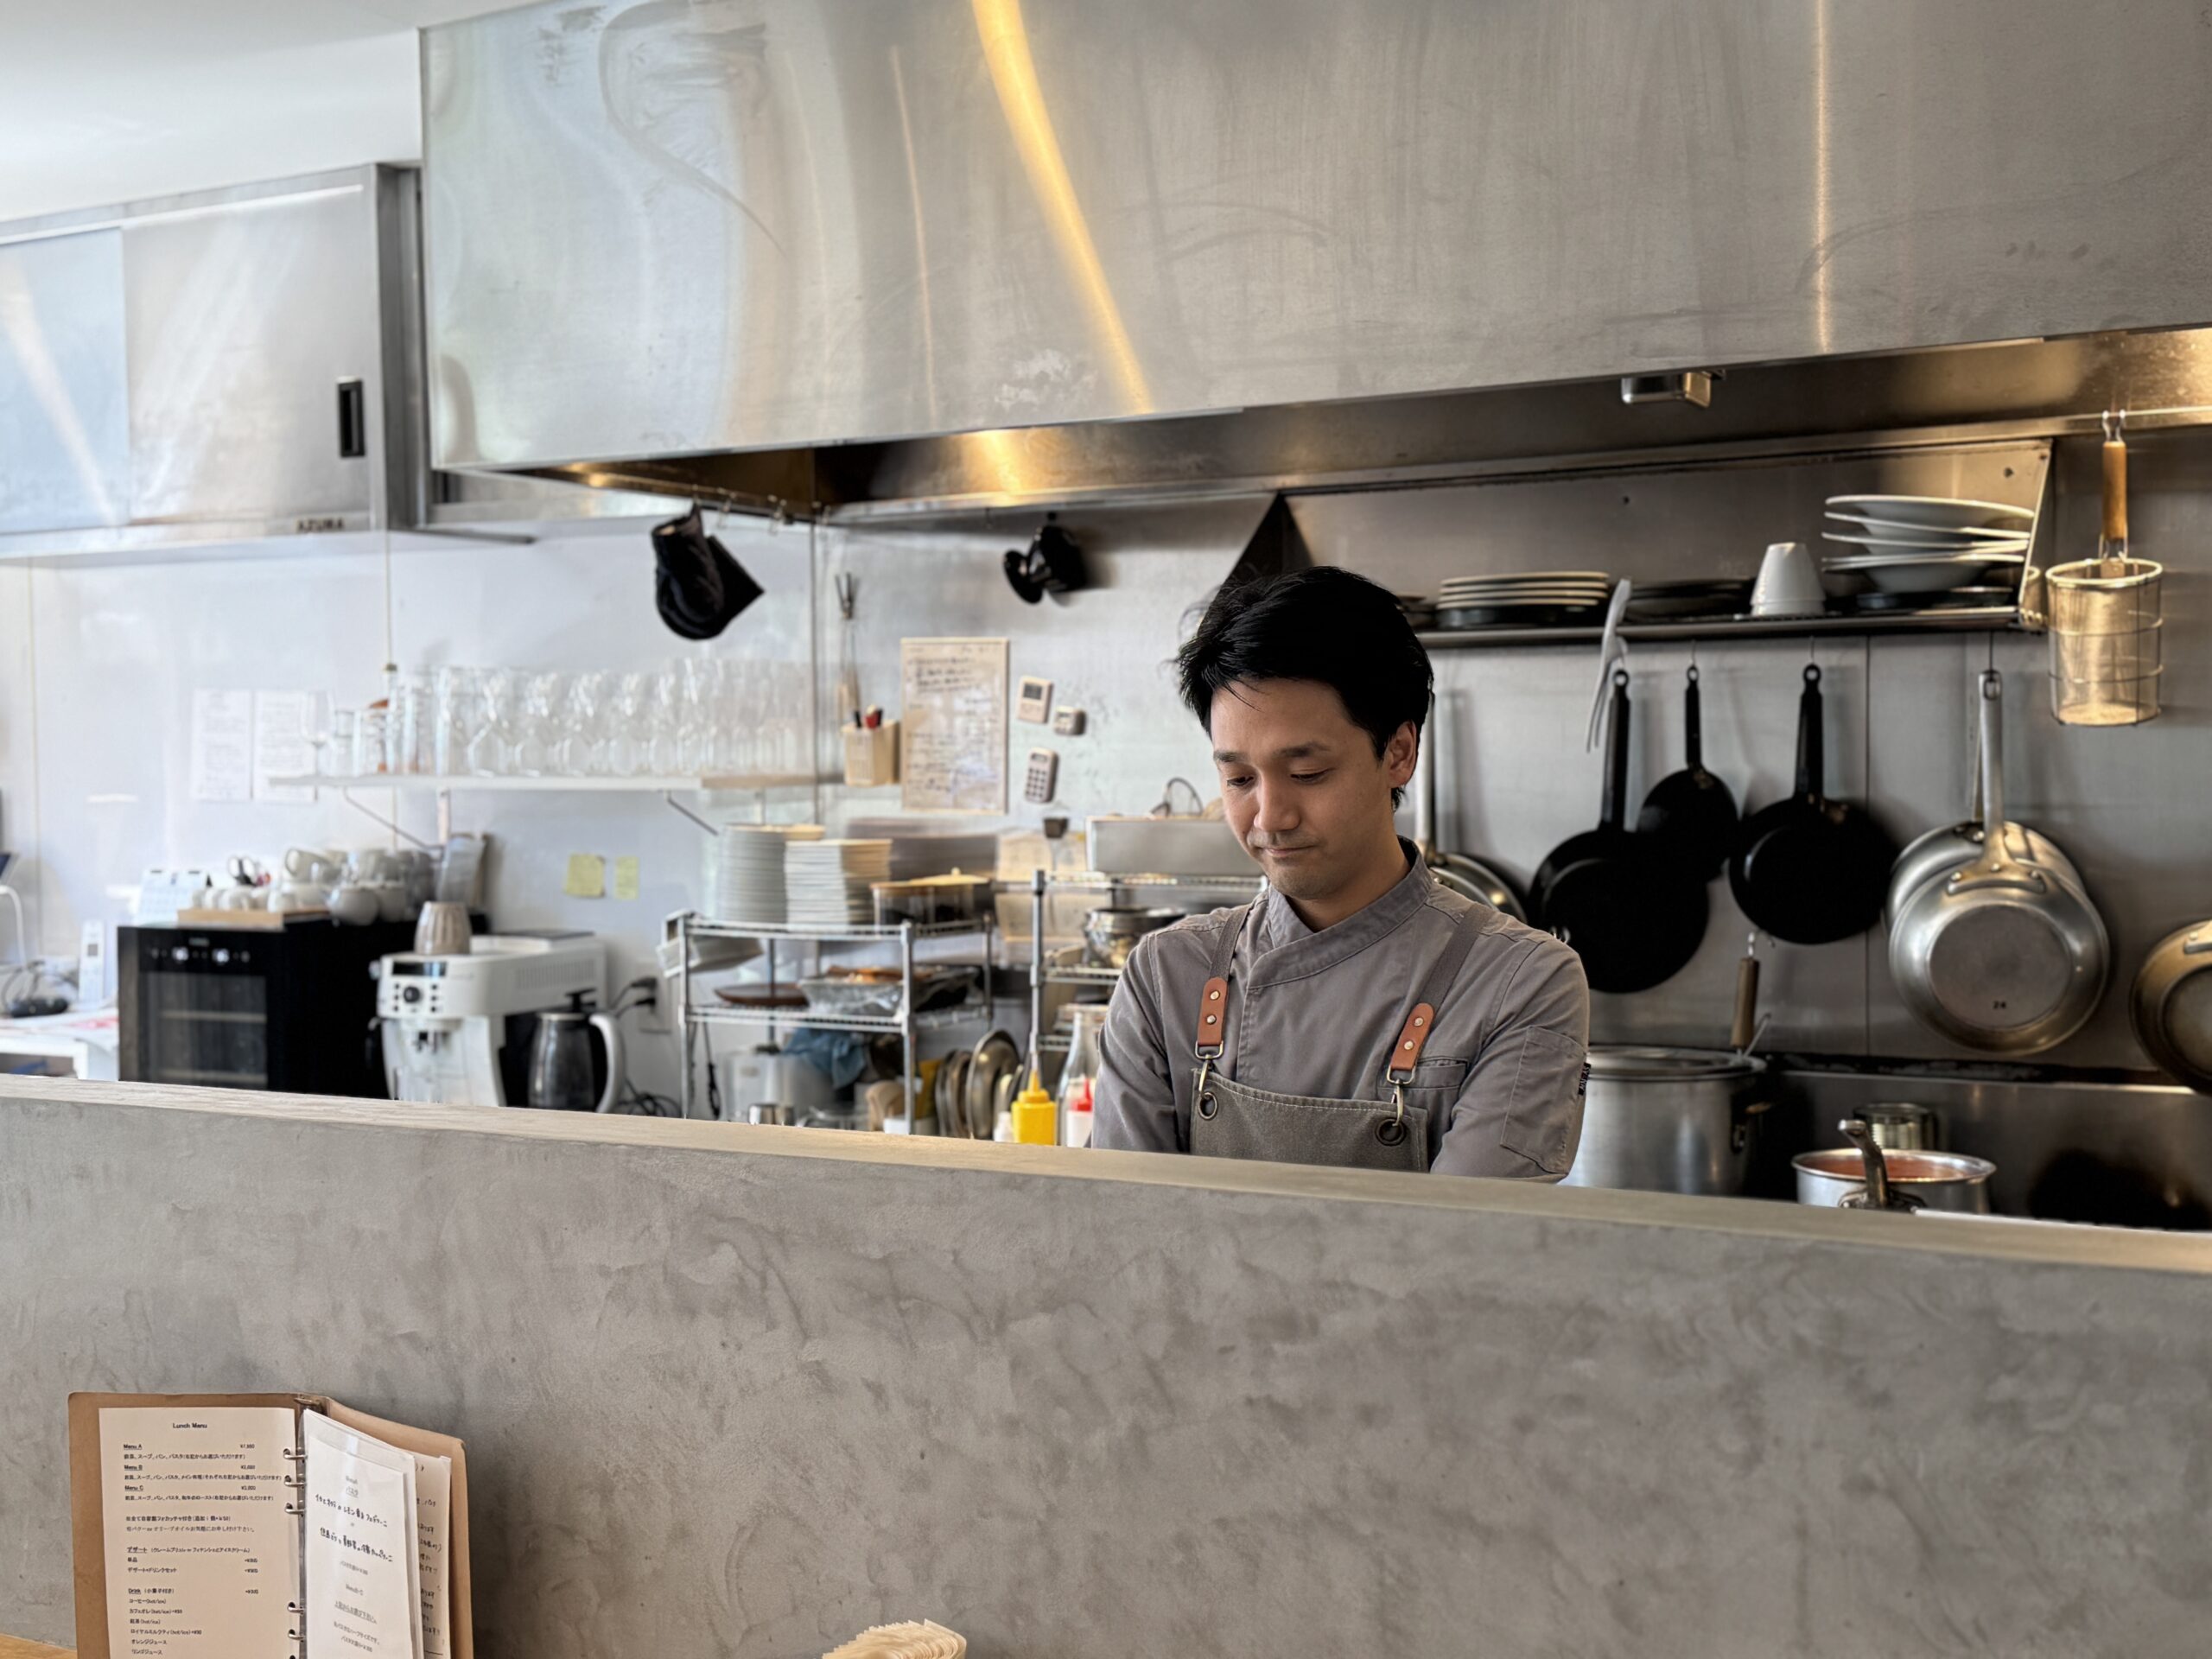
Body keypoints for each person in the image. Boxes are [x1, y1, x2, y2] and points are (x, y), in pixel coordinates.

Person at [1090, 567, 1590, 1178]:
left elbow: (1467, 1233)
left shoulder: (1519, 982)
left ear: (1399, 753)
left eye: (1308, 774)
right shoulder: (1166, 977)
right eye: (1239, 779)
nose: (1269, 817)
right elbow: (1123, 1219)